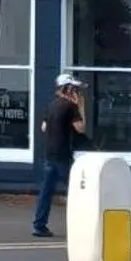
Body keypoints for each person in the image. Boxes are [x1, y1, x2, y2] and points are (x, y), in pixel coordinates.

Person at [32, 73, 84, 238]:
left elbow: (43, 127)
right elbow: (81, 128)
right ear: (67, 88)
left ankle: (39, 225)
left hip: (50, 153)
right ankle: (80, 226)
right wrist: (81, 106)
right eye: (74, 88)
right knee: (76, 191)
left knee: (46, 191)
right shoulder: (70, 106)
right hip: (63, 154)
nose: (76, 91)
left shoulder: (52, 105)